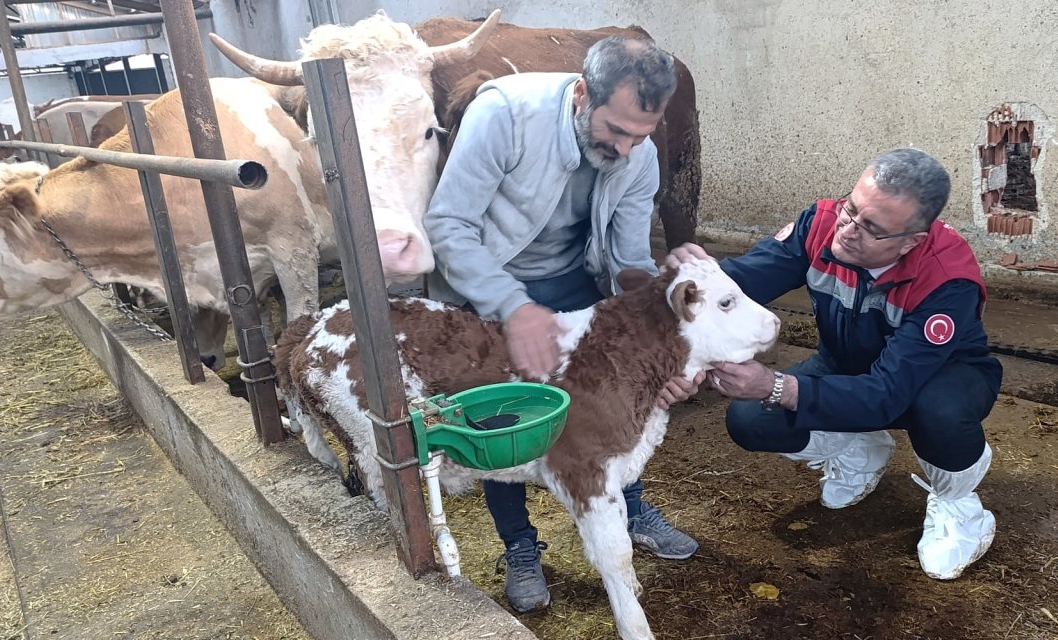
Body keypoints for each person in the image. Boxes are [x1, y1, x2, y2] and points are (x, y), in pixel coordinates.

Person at [423, 36, 699, 613]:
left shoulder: (638, 155)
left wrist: (655, 299)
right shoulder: (504, 115)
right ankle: (521, 546)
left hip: (578, 278)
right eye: (615, 131)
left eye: (640, 136)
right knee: (501, 412)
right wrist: (512, 306)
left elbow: (626, 260)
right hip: (487, 280)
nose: (625, 149)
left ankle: (629, 503)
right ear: (581, 94)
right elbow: (448, 226)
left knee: (616, 395)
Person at [663, 148, 1003, 580]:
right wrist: (688, 283)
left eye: (872, 228)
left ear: (912, 241)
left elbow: (886, 393)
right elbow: (742, 280)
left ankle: (958, 504)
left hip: (937, 379)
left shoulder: (946, 280)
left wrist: (775, 385)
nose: (848, 230)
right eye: (851, 208)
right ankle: (861, 448)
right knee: (751, 420)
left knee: (941, 414)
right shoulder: (821, 224)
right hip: (845, 363)